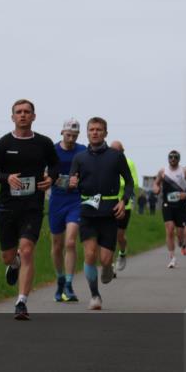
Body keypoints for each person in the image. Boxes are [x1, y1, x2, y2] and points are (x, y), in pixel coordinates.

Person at [0, 99, 59, 320]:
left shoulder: (44, 143)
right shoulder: (4, 143)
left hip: (32, 206)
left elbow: (55, 165)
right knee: (7, 256)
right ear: (13, 117)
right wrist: (7, 177)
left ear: (33, 116)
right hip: (7, 206)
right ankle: (13, 263)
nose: (23, 115)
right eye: (19, 112)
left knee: (26, 250)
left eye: (27, 112)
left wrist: (51, 178)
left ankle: (21, 302)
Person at [68, 118, 134, 310]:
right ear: (87, 133)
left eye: (98, 129)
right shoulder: (79, 158)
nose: (95, 132)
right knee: (89, 254)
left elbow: (129, 182)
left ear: (105, 133)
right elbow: (71, 183)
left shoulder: (116, 156)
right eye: (91, 129)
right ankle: (95, 295)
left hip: (109, 213)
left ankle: (107, 267)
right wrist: (70, 183)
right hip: (87, 212)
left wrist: (123, 201)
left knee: (105, 259)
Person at [48, 119, 86, 302]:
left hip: (75, 200)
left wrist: (80, 181)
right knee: (57, 245)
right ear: (62, 132)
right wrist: (63, 181)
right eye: (68, 135)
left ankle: (69, 285)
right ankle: (60, 279)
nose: (71, 139)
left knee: (70, 242)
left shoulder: (82, 150)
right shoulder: (52, 150)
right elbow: (44, 174)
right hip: (57, 201)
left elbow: (89, 172)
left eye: (74, 136)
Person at [152, 152, 186, 269]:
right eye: (170, 157)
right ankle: (172, 258)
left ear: (178, 159)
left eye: (175, 157)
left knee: (180, 234)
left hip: (181, 206)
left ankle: (181, 242)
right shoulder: (163, 171)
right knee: (170, 229)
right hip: (167, 204)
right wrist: (156, 189)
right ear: (168, 159)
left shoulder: (185, 171)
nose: (172, 159)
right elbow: (156, 183)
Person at [109, 140, 140, 274]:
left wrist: (117, 183)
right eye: (112, 151)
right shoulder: (106, 162)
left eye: (118, 151)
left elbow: (134, 183)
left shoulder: (129, 163)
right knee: (108, 235)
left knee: (119, 235)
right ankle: (110, 266)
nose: (115, 154)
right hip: (108, 203)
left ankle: (122, 253)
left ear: (122, 151)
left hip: (124, 204)